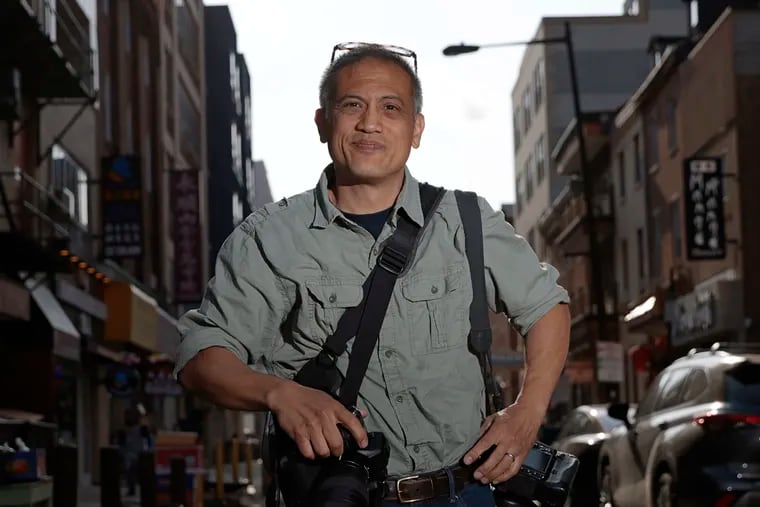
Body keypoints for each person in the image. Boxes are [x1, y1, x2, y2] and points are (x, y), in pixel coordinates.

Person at [175, 42, 571, 506]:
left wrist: (528, 410)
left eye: (391, 107)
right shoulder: (268, 238)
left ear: (416, 128)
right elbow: (200, 356)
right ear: (323, 123)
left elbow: (546, 306)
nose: (370, 123)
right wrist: (278, 393)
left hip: (469, 493)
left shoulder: (466, 219)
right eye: (352, 106)